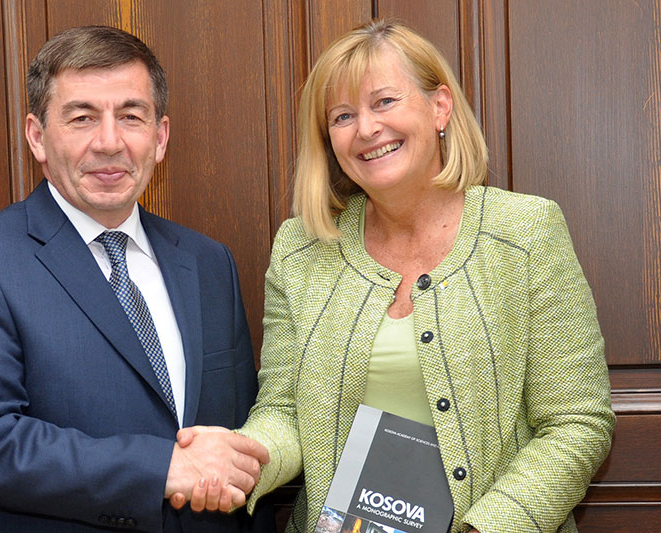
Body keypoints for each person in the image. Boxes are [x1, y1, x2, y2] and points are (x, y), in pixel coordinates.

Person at [176, 20, 615, 533]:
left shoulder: (525, 233)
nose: (366, 128)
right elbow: (286, 413)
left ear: (440, 107)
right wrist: (244, 457)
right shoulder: (301, 251)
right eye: (343, 116)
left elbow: (576, 425)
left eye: (384, 102)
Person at [0, 25, 274, 532]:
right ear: (37, 136)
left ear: (160, 136)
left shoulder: (208, 261)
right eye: (82, 118)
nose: (110, 143)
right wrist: (161, 468)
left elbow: (236, 438)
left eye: (131, 116)